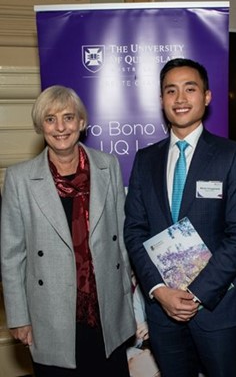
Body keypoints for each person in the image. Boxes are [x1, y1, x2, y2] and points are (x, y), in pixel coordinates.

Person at [124, 58, 236, 377]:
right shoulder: (145, 159)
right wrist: (159, 291)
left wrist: (196, 294)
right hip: (162, 311)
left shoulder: (232, 155)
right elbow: (134, 231)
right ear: (162, 100)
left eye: (189, 89)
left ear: (206, 97)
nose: (180, 99)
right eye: (171, 91)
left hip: (217, 306)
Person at [0, 85, 136, 376]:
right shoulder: (19, 179)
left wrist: (128, 303)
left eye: (68, 117)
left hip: (105, 309)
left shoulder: (107, 166)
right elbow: (11, 256)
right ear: (40, 126)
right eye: (50, 119)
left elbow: (122, 240)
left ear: (82, 122)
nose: (60, 127)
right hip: (50, 314)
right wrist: (19, 318)